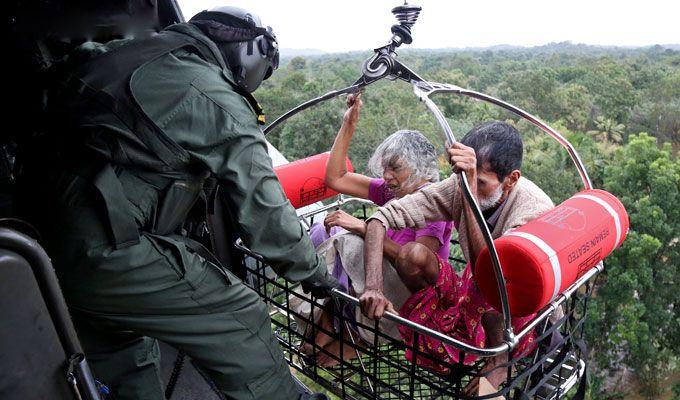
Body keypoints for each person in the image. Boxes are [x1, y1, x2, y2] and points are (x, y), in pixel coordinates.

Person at [21, 6, 337, 400]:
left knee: (124, 354)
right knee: (240, 318)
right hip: (104, 247)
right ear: (255, 51)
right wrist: (316, 275)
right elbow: (267, 213)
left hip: (38, 237)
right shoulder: (212, 94)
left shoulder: (120, 53)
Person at [360, 121, 554, 392]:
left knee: (492, 379)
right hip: (475, 287)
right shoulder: (460, 185)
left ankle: (498, 364)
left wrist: (469, 195)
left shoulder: (533, 209)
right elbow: (380, 218)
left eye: (481, 182)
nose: (466, 186)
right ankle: (444, 337)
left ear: (510, 180)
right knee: (411, 255)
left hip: (514, 306)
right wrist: (373, 287)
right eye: (463, 178)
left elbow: (495, 279)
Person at [300, 93, 453, 366]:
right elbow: (335, 177)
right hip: (369, 283)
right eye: (385, 168)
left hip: (405, 294)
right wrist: (348, 125)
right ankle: (338, 311)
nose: (387, 176)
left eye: (395, 168)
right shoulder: (392, 192)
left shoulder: (432, 203)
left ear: (419, 168)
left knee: (348, 237)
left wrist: (362, 228)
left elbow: (414, 261)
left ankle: (356, 334)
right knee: (329, 228)